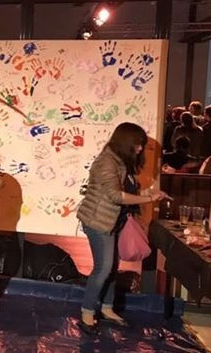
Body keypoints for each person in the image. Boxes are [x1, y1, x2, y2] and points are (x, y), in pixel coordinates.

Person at [76, 122, 168, 335]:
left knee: (111, 267)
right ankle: (87, 313)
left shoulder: (119, 160)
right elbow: (115, 196)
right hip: (98, 222)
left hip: (114, 221)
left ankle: (107, 308)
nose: (140, 149)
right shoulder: (106, 162)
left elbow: (124, 192)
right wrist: (148, 198)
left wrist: (149, 194)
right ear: (125, 142)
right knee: (103, 268)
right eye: (138, 144)